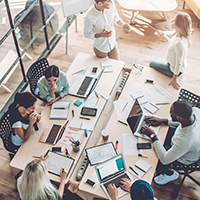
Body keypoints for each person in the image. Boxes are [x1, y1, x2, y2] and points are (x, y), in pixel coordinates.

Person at [141, 101, 200, 185]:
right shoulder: (195, 111)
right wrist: (163, 120)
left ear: (179, 118)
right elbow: (182, 122)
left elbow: (165, 160)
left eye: (171, 112)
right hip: (182, 141)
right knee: (161, 135)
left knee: (153, 158)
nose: (169, 113)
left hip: (184, 158)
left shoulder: (185, 140)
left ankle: (170, 173)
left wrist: (153, 136)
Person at [149, 12, 192, 90]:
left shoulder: (180, 44)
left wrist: (174, 79)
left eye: (174, 20)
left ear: (179, 24)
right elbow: (172, 44)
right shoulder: (179, 35)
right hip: (173, 65)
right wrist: (164, 36)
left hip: (172, 70)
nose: (171, 21)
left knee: (151, 63)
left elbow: (179, 64)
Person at [17, 154, 82, 200]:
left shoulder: (20, 181)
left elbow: (34, 172)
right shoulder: (47, 192)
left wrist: (41, 162)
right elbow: (58, 197)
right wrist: (62, 181)